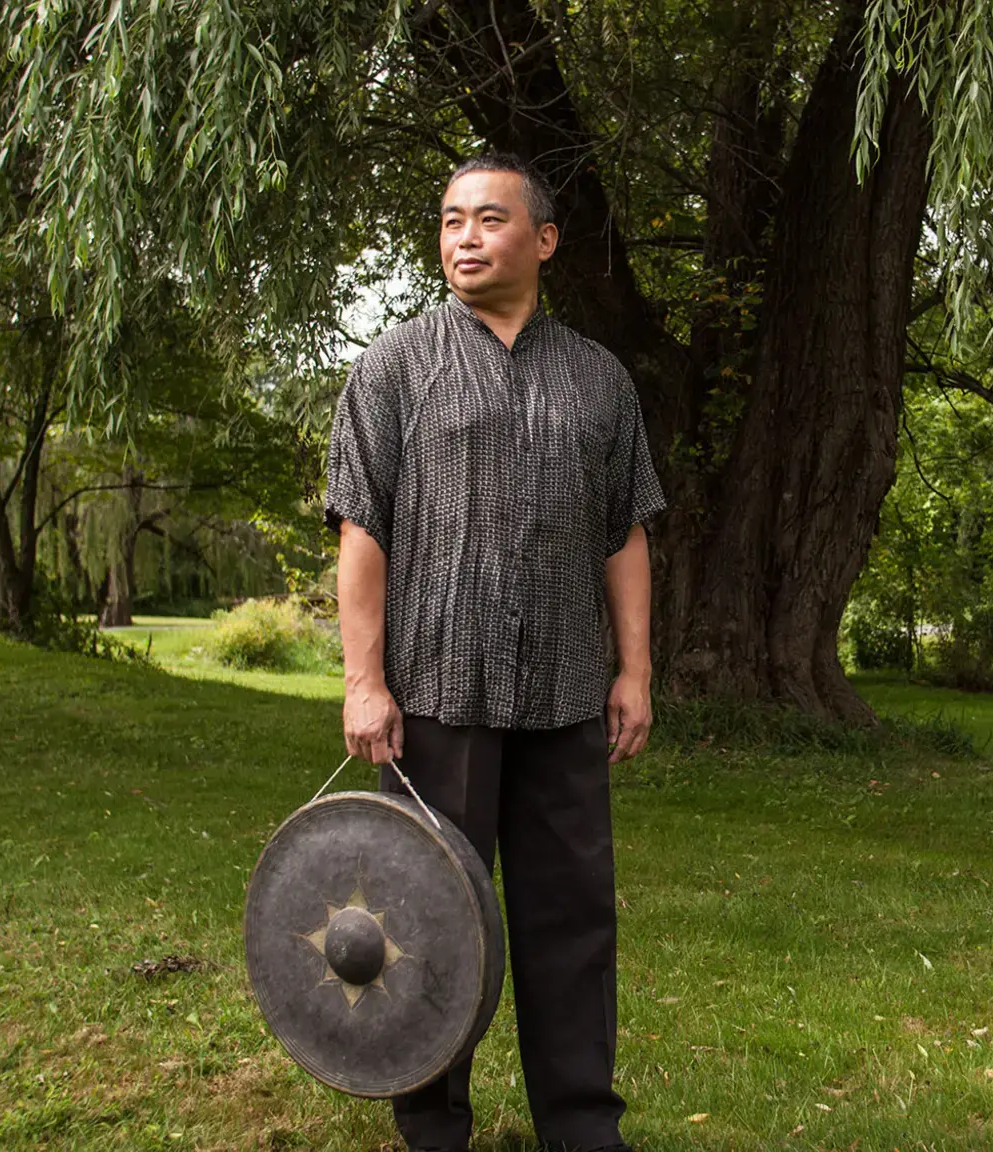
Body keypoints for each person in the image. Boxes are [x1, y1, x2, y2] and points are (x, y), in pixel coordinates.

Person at [323, 152, 663, 1152]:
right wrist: (364, 683)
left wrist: (633, 671)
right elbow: (361, 531)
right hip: (434, 700)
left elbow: (624, 531)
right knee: (425, 925)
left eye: (487, 219)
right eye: (448, 221)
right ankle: (432, 1129)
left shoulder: (598, 379)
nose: (463, 238)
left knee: (572, 927)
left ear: (543, 240)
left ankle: (581, 1127)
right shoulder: (393, 367)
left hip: (563, 698)